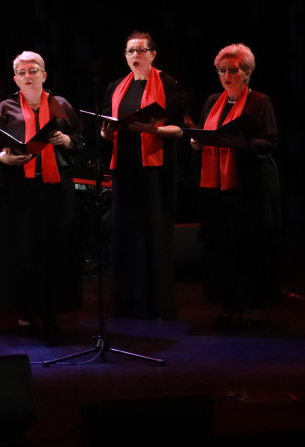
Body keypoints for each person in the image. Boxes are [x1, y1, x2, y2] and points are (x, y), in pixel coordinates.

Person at [0, 51, 84, 333]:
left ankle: (54, 307)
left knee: (56, 249)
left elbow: (80, 139)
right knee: (23, 250)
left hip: (56, 188)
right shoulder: (5, 108)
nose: (27, 77)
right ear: (15, 78)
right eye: (21, 73)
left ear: (44, 75)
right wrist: (4, 158)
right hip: (19, 189)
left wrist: (66, 139)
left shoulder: (61, 105)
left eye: (33, 71)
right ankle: (26, 309)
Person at [190, 43, 280, 328]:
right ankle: (228, 303)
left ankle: (254, 305)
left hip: (251, 184)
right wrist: (197, 142)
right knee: (222, 245)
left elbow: (271, 142)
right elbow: (207, 133)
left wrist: (244, 144)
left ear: (247, 73)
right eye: (221, 70)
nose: (226, 75)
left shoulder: (260, 101)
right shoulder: (211, 101)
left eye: (233, 70)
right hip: (218, 188)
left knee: (252, 246)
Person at [103, 31, 187, 320]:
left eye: (141, 50)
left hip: (156, 170)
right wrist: (105, 130)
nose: (135, 56)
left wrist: (153, 131)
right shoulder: (117, 86)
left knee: (153, 234)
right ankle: (127, 304)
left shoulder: (168, 83)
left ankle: (156, 304)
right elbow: (107, 121)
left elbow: (180, 129)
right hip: (125, 169)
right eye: (130, 51)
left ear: (153, 54)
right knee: (126, 235)